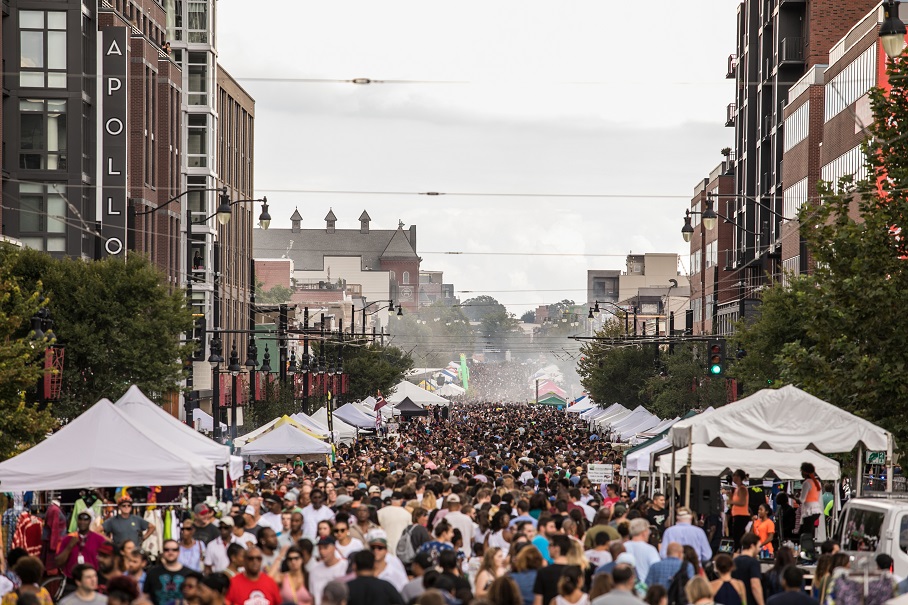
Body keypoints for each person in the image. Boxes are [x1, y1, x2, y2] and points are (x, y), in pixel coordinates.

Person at [56, 512, 107, 579]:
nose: (82, 522)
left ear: (90, 521)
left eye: (86, 519)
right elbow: (58, 562)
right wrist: (69, 546)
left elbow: (107, 560)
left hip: (92, 579)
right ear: (77, 521)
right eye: (80, 519)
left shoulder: (99, 539)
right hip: (71, 579)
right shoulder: (67, 539)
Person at [143, 539, 192, 605]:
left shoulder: (189, 574)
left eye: (174, 550)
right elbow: (145, 596)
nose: (170, 552)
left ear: (179, 552)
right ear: (163, 552)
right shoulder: (152, 573)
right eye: (167, 550)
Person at [308, 537, 348, 605]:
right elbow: (313, 596)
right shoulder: (314, 570)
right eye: (320, 548)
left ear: (334, 548)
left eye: (325, 547)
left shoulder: (345, 566)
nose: (322, 551)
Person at [533, 535, 571, 605]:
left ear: (557, 548)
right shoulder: (576, 571)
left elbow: (538, 601)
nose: (547, 548)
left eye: (550, 545)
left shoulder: (543, 572)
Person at [622, 519, 660, 584]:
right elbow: (657, 568)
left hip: (626, 585)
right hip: (645, 586)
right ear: (644, 532)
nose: (649, 533)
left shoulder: (623, 547)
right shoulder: (650, 549)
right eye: (648, 530)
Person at [732, 533, 764, 605]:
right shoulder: (753, 562)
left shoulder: (734, 561)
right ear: (752, 546)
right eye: (758, 547)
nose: (759, 550)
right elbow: (755, 585)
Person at [798, 463, 823, 539]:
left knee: (806, 532)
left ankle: (806, 547)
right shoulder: (817, 482)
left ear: (805, 472)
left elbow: (802, 500)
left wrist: (795, 498)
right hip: (817, 509)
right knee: (810, 531)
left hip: (809, 510)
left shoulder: (806, 483)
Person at [729, 470, 751, 550]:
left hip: (741, 515)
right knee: (737, 536)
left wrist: (731, 501)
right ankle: (739, 550)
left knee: (737, 537)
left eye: (734, 475)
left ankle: (738, 551)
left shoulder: (742, 489)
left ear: (738, 477)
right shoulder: (737, 489)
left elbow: (742, 502)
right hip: (737, 515)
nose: (733, 477)